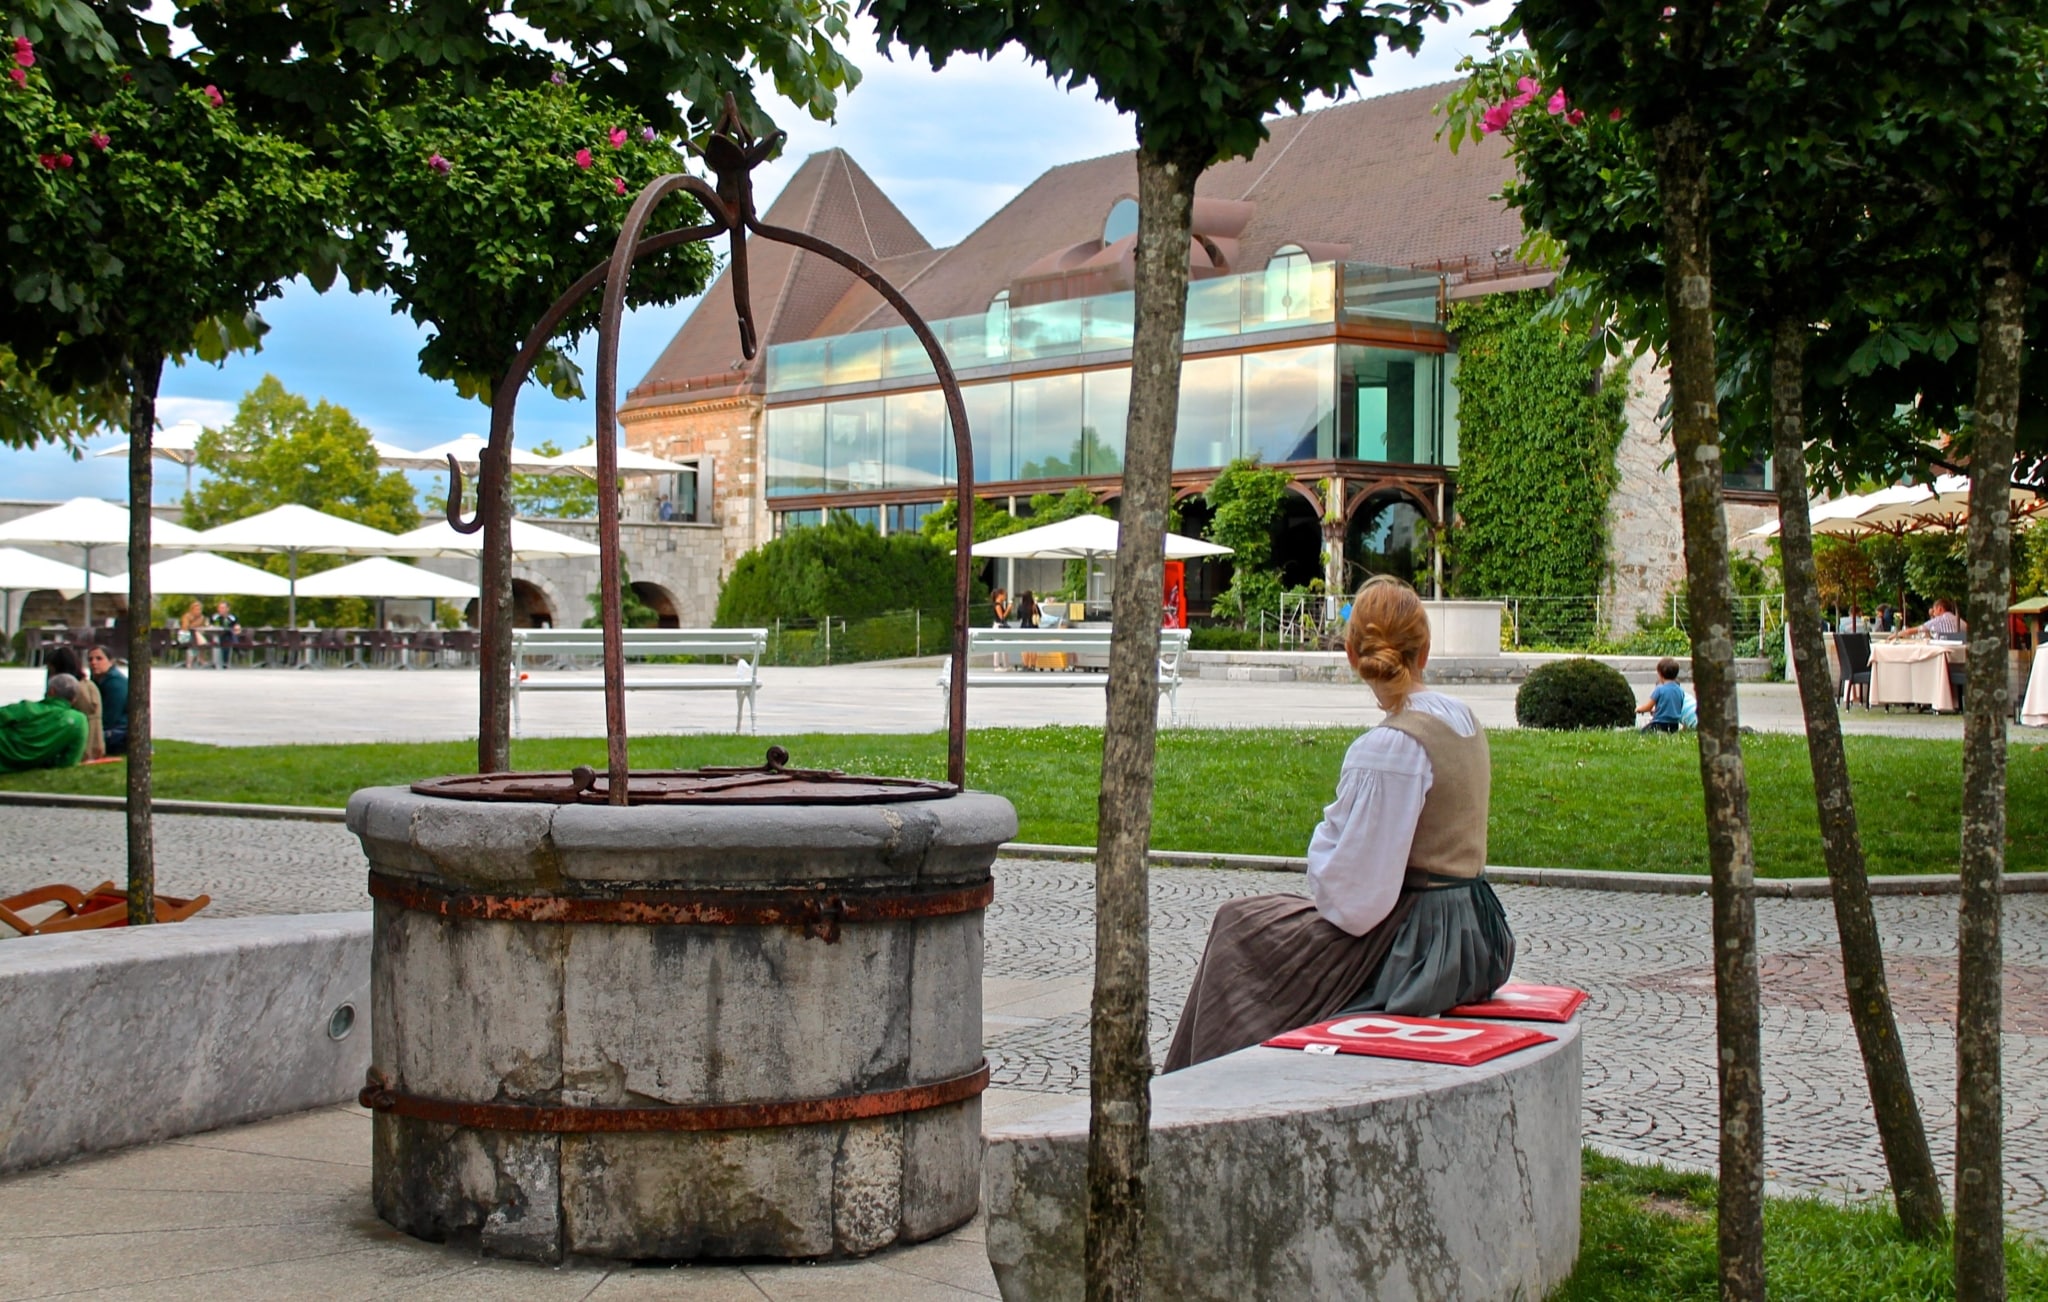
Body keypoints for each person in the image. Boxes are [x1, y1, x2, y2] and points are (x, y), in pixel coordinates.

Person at [1162, 576, 1515, 1072]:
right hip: (1480, 934)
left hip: (1421, 951)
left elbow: (1354, 903)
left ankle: (1201, 1088)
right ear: (1426, 650)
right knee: (1251, 920)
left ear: (1352, 656)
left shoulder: (1390, 748)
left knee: (1237, 926)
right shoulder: (1462, 719)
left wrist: (1325, 846)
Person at [0, 674, 89, 773]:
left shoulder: (27, 708)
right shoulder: (79, 721)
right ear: (74, 699)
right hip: (30, 765)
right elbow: (70, 761)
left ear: (51, 691)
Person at [87, 644, 128, 755]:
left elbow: (110, 717)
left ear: (111, 661)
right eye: (90, 659)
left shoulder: (116, 683)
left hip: (120, 731)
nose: (93, 662)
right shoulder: (96, 680)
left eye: (99, 658)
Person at [1636, 657, 1686, 734]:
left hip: (1660, 723)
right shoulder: (1680, 691)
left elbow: (1648, 707)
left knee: (1642, 732)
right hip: (1674, 725)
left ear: (1660, 674)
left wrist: (1639, 709)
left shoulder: (1659, 689)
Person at [209, 599, 240, 668]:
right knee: (220, 641)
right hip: (215, 635)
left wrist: (237, 628)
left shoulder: (232, 617)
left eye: (223, 608)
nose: (221, 610)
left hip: (228, 635)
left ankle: (225, 663)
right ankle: (237, 649)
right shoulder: (215, 617)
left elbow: (237, 626)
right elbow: (210, 626)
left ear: (227, 609)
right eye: (219, 608)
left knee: (229, 639)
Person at [178, 600, 207, 668]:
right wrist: (196, 623)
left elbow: (203, 627)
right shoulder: (187, 616)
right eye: (197, 609)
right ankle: (191, 662)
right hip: (184, 636)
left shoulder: (202, 617)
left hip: (195, 636)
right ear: (192, 609)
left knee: (199, 639)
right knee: (195, 641)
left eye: (200, 609)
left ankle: (200, 659)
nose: (199, 611)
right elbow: (185, 627)